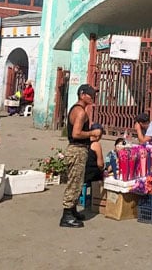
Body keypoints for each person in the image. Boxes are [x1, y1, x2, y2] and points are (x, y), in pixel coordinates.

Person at [61, 84, 102, 228]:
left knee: (77, 182)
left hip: (78, 149)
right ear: (82, 95)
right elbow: (76, 133)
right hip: (77, 150)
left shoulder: (76, 109)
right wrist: (92, 133)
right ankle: (67, 216)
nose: (93, 98)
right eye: (90, 95)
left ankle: (72, 211)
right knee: (75, 183)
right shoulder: (80, 112)